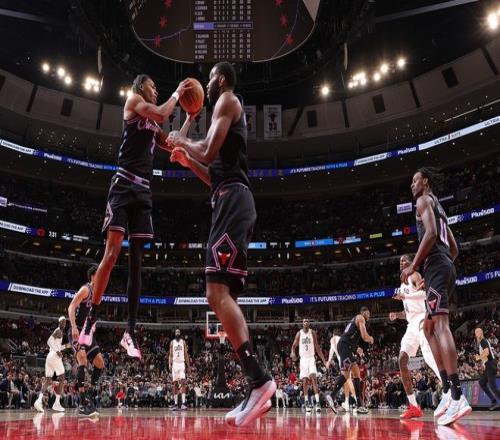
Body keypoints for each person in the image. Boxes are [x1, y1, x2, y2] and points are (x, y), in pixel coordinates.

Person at [167, 61, 275, 427]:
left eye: (211, 76)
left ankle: (260, 381)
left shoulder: (228, 100)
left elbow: (209, 150)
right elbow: (214, 172)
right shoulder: (221, 110)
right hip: (227, 198)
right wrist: (188, 161)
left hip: (233, 202)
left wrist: (183, 139)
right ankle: (257, 384)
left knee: (215, 293)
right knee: (223, 296)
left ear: (223, 79)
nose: (208, 82)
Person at [77, 75, 192, 359]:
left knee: (137, 263)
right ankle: (92, 317)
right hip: (123, 184)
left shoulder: (152, 123)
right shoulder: (134, 102)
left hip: (143, 191)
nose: (156, 90)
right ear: (141, 87)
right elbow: (162, 112)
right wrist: (178, 93)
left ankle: (129, 332)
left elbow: (174, 142)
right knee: (112, 253)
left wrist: (191, 116)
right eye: (154, 86)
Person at [401, 167, 471, 425]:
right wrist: (440, 266)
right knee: (428, 328)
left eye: (415, 180)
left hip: (436, 267)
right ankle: (447, 390)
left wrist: (414, 266)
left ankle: (458, 396)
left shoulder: (422, 201)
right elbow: (454, 249)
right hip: (443, 266)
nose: (412, 185)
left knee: (440, 327)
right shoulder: (439, 206)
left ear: (425, 182)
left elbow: (430, 234)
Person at [390, 254, 441, 418]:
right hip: (411, 324)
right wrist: (397, 315)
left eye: (405, 260)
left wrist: (405, 296)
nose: (402, 262)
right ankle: (413, 406)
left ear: (412, 263)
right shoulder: (402, 285)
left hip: (422, 318)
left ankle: (451, 389)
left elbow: (425, 294)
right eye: (400, 261)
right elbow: (408, 311)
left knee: (428, 355)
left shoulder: (414, 275)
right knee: (402, 360)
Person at [68, 265, 105, 417]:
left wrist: (93, 325)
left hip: (87, 331)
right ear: (93, 276)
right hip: (77, 330)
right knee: (82, 360)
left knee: (100, 364)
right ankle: (83, 403)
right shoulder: (85, 290)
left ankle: (89, 395)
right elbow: (71, 306)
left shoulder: (99, 293)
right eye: (100, 274)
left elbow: (92, 314)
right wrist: (73, 327)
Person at [326, 307, 374, 414]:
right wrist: (370, 338)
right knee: (346, 374)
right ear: (363, 312)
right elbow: (364, 336)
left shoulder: (356, 320)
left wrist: (357, 348)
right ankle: (332, 395)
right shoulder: (360, 318)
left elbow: (350, 338)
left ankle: (359, 405)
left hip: (347, 347)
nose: (369, 315)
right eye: (367, 313)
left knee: (356, 374)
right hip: (344, 347)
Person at [34, 317, 71, 413]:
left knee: (48, 380)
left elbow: (56, 345)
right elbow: (49, 341)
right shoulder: (58, 331)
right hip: (54, 355)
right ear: (59, 322)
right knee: (62, 377)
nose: (64, 324)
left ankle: (38, 401)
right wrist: (57, 351)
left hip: (49, 357)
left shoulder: (60, 332)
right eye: (62, 322)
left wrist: (65, 346)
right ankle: (57, 403)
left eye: (65, 322)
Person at [291, 318, 327, 413]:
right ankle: (306, 402)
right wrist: (292, 352)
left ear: (309, 323)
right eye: (304, 321)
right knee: (305, 381)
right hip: (303, 359)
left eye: (307, 321)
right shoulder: (299, 333)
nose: (306, 322)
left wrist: (324, 360)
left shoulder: (312, 332)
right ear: (302, 323)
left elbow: (317, 347)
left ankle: (317, 403)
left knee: (314, 379)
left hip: (311, 358)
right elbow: (294, 345)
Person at [326, 329, 356, 412]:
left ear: (333, 334)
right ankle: (347, 402)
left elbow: (331, 350)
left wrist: (328, 361)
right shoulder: (342, 338)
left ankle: (356, 401)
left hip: (343, 358)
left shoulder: (333, 338)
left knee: (348, 379)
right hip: (348, 357)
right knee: (346, 380)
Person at [474, 328, 500, 411]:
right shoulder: (481, 342)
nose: (476, 334)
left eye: (477, 332)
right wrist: (483, 363)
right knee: (481, 382)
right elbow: (486, 356)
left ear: (481, 332)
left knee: (492, 386)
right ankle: (494, 401)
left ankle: (495, 401)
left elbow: (487, 352)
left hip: (491, 365)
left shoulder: (483, 341)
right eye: (475, 333)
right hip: (488, 365)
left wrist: (479, 357)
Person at [169, 329, 190, 411]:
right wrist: (169, 364)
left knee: (183, 382)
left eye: (178, 332)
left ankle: (183, 404)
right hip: (175, 363)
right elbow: (170, 355)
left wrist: (188, 366)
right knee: (175, 384)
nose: (177, 333)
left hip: (181, 363)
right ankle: (175, 404)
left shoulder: (183, 342)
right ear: (175, 334)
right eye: (176, 332)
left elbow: (186, 354)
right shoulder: (172, 342)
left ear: (180, 334)